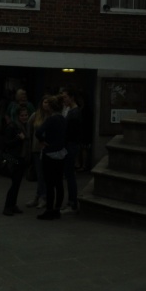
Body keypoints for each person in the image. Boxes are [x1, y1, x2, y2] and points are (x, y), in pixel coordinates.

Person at [35, 95, 67, 220]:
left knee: (49, 183)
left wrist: (42, 141)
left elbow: (38, 132)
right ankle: (57, 209)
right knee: (59, 183)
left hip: (50, 152)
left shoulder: (50, 119)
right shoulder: (63, 119)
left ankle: (49, 209)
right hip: (61, 152)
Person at [2, 105, 30, 216]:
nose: (24, 117)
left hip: (21, 157)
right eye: (22, 115)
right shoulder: (13, 127)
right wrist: (18, 138)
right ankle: (8, 206)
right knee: (14, 183)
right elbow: (6, 143)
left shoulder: (25, 126)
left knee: (17, 183)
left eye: (26, 115)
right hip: (14, 158)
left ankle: (12, 205)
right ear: (18, 116)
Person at [26, 95, 51, 209]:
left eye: (48, 102)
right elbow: (29, 129)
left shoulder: (52, 116)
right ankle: (39, 195)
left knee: (45, 174)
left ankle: (43, 196)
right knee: (39, 173)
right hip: (36, 148)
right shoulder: (35, 115)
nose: (46, 104)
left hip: (48, 148)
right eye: (45, 102)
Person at [61, 86, 82, 214]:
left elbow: (71, 132)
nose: (64, 100)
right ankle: (72, 201)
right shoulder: (72, 111)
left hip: (71, 145)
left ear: (71, 97)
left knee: (70, 175)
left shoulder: (74, 113)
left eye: (65, 97)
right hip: (71, 144)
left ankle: (72, 202)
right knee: (69, 175)